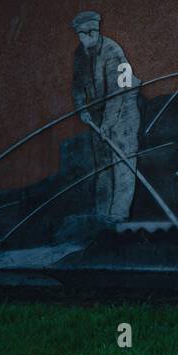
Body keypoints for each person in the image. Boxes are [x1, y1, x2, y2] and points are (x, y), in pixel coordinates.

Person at [70, 11, 140, 223]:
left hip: (124, 108)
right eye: (82, 34)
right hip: (97, 112)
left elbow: (119, 92)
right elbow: (77, 86)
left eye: (91, 32)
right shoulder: (79, 55)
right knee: (102, 165)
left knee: (123, 160)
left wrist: (108, 124)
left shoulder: (113, 51)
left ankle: (119, 214)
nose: (87, 37)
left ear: (97, 31)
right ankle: (102, 215)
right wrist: (82, 109)